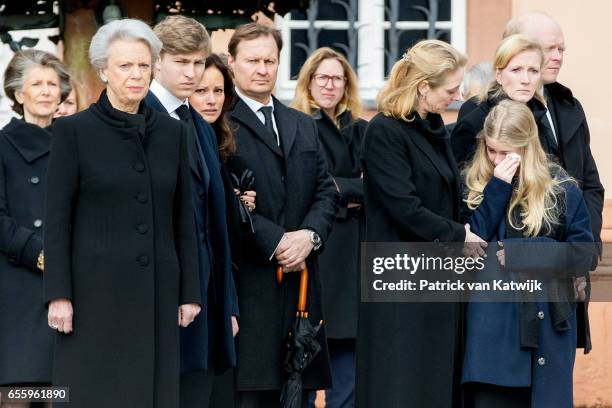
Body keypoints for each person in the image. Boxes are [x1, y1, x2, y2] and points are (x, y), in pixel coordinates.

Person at [44, 19, 201, 407]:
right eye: (125, 66)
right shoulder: (73, 132)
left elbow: (184, 219)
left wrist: (190, 293)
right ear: (103, 71)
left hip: (158, 294)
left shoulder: (173, 133)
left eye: (143, 65)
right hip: (93, 295)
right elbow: (57, 220)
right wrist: (58, 294)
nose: (136, 75)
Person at [357, 39, 485, 408]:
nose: (458, 96)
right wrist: (459, 236)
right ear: (423, 86)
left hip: (438, 278)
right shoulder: (384, 131)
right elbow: (405, 207)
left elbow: (449, 195)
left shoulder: (433, 127)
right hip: (399, 285)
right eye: (450, 89)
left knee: (436, 386)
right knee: (401, 387)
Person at [226, 22, 337, 408]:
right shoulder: (219, 123)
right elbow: (226, 198)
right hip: (252, 285)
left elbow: (326, 190)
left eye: (270, 60)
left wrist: (309, 236)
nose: (262, 68)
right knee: (251, 396)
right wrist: (277, 241)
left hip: (302, 289)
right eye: (253, 60)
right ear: (232, 63)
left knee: (298, 395)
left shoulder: (301, 124)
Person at [461, 99, 594, 407]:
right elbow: (472, 245)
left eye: (506, 152)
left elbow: (583, 253)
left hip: (545, 327)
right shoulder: (473, 183)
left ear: (527, 146)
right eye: (491, 151)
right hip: (492, 330)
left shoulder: (561, 187)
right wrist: (497, 188)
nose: (497, 160)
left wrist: (527, 253)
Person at [144, 15, 240, 408]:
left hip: (206, 294)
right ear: (157, 60)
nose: (191, 72)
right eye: (181, 61)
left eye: (197, 62)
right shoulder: (139, 118)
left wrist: (227, 304)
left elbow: (214, 221)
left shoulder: (196, 122)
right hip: (158, 296)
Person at [504, 12, 604, 353]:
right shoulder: (498, 111)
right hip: (521, 272)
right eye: (550, 48)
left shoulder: (568, 106)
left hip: (569, 267)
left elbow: (590, 186)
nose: (559, 56)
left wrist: (583, 249)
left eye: (562, 48)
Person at [291, 46, 366, 408]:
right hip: (320, 247)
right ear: (308, 83)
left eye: (338, 78)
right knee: (310, 346)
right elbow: (308, 187)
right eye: (323, 77)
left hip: (355, 250)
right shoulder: (298, 127)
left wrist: (341, 187)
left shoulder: (361, 129)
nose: (330, 85)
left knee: (348, 350)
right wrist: (347, 187)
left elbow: (378, 187)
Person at [0, 49, 70, 406]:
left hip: (73, 289)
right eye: (36, 84)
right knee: (21, 392)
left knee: (62, 393)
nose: (45, 91)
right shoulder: (1, 145)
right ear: (17, 93)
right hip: (19, 289)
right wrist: (40, 255)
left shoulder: (75, 144)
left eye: (52, 84)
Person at [188, 52, 256, 408]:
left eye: (218, 90)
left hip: (228, 283)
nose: (211, 99)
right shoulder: (181, 137)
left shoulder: (226, 141)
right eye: (201, 91)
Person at [451, 34, 548, 169]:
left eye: (533, 70)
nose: (526, 80)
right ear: (499, 75)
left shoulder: (540, 113)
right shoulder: (475, 118)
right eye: (516, 70)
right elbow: (461, 180)